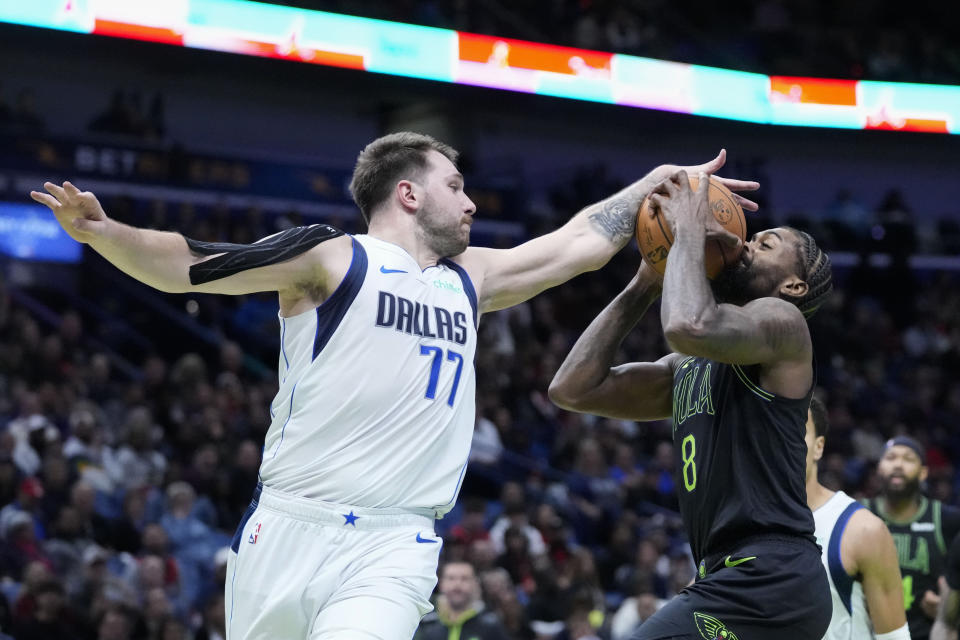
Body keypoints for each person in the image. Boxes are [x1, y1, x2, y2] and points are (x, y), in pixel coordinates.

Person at [31, 132, 758, 640]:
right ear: (408, 193)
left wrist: (654, 181)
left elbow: (575, 246)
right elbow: (192, 261)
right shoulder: (332, 259)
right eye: (456, 185)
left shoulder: (471, 280)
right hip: (286, 526)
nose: (471, 202)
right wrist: (104, 233)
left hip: (395, 540)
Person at [549, 171, 833, 639]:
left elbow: (688, 324)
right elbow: (572, 388)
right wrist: (646, 279)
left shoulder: (784, 323)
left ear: (793, 286)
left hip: (770, 575)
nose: (743, 243)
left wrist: (685, 233)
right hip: (730, 574)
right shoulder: (686, 367)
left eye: (765, 245)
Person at [805, 396, 909, 639]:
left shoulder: (862, 529)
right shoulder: (737, 525)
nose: (782, 439)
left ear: (819, 447)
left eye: (795, 429)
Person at [864, 437, 960, 640]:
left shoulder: (947, 520)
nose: (898, 464)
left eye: (908, 459)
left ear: (924, 472)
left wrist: (949, 613)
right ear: (879, 468)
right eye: (891, 457)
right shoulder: (856, 515)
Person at [414, 561, 507, 640]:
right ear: (441, 583)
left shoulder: (490, 625)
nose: (457, 584)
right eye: (451, 578)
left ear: (475, 584)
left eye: (464, 579)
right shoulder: (426, 624)